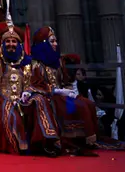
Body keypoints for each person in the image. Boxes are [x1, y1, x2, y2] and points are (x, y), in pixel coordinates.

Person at [30, 26, 98, 156]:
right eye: (52, 41)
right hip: (50, 96)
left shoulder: (57, 62)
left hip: (63, 93)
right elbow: (37, 85)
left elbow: (69, 70)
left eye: (56, 41)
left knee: (88, 103)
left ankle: (85, 139)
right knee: (79, 105)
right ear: (44, 44)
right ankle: (66, 140)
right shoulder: (38, 65)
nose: (56, 44)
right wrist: (58, 91)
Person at [0, 27, 60, 156]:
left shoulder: (28, 63)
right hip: (4, 99)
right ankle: (21, 147)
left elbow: (35, 83)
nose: (11, 45)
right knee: (9, 110)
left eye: (14, 41)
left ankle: (46, 142)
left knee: (40, 100)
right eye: (8, 41)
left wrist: (29, 92)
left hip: (24, 99)